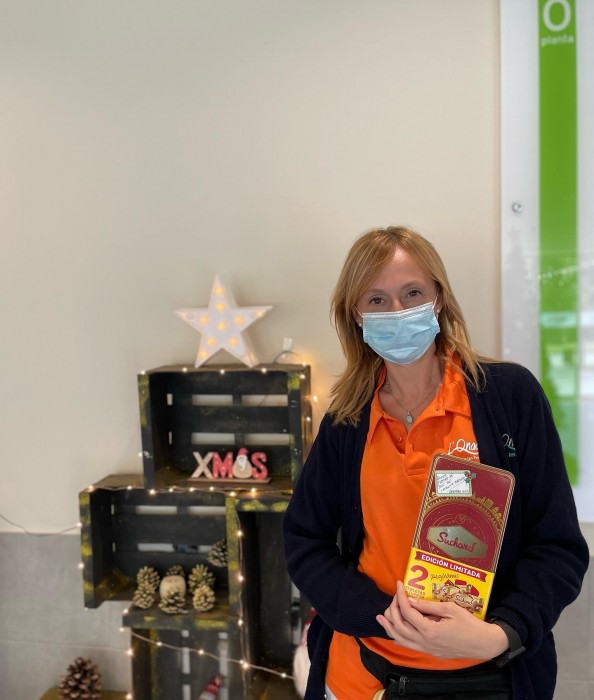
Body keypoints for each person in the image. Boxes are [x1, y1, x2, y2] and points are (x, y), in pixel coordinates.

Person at [283, 226, 589, 700]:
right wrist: (382, 614)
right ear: (356, 315)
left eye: (412, 293)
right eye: (377, 300)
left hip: (488, 680)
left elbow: (558, 545)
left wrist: (503, 632)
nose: (397, 311)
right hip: (364, 677)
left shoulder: (509, 397)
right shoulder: (347, 420)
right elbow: (305, 541)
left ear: (439, 298)